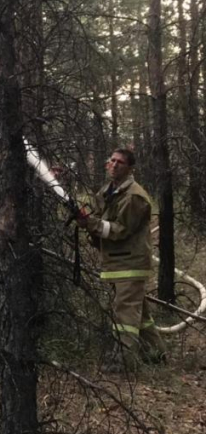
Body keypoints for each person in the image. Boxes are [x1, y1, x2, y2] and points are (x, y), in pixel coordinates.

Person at [77, 148, 167, 370]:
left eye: (120, 162)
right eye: (112, 160)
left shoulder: (135, 196)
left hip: (130, 264)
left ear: (130, 168)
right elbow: (99, 216)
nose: (114, 165)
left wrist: (91, 224)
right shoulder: (108, 191)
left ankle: (124, 362)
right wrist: (84, 217)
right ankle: (156, 354)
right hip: (117, 262)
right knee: (140, 315)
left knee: (125, 315)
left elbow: (120, 230)